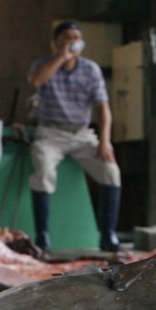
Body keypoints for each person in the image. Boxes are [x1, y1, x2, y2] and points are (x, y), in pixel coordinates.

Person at [27, 20, 122, 251]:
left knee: (111, 172)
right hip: (50, 133)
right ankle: (43, 237)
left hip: (82, 134)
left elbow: (102, 108)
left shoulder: (91, 69)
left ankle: (108, 235)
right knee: (43, 168)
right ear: (55, 42)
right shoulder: (43, 65)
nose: (72, 42)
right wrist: (61, 57)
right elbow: (36, 81)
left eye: (76, 37)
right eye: (66, 37)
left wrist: (105, 141)